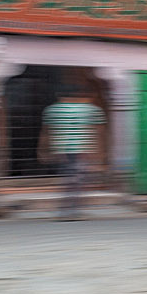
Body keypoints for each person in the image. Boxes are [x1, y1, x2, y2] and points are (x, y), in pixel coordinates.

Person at [39, 86, 104, 220]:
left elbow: (46, 132)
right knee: (78, 180)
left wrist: (42, 150)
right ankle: (73, 209)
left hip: (62, 151)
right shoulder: (92, 109)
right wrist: (100, 152)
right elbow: (99, 132)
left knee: (68, 179)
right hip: (82, 150)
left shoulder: (52, 110)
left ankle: (65, 210)